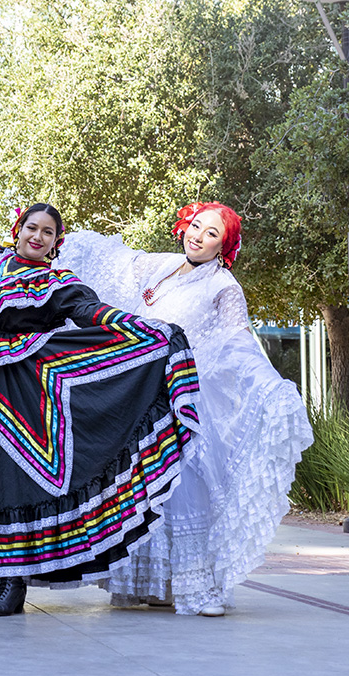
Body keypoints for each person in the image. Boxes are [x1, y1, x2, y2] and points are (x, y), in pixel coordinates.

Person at [0, 204, 202, 616]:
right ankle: (0, 575)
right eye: (31, 228)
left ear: (57, 242)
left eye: (48, 233)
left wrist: (145, 328)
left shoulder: (57, 282)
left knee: (11, 479)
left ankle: (12, 584)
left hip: (17, 391)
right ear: (18, 229)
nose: (37, 237)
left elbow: (91, 312)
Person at [57, 202, 313, 616]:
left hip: (185, 397)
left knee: (184, 484)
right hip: (139, 393)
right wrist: (75, 244)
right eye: (196, 226)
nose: (198, 236)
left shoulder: (223, 286)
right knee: (141, 483)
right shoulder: (163, 265)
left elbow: (237, 342)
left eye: (212, 233)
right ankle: (147, 584)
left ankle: (199, 587)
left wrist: (271, 388)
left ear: (224, 246)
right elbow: (119, 263)